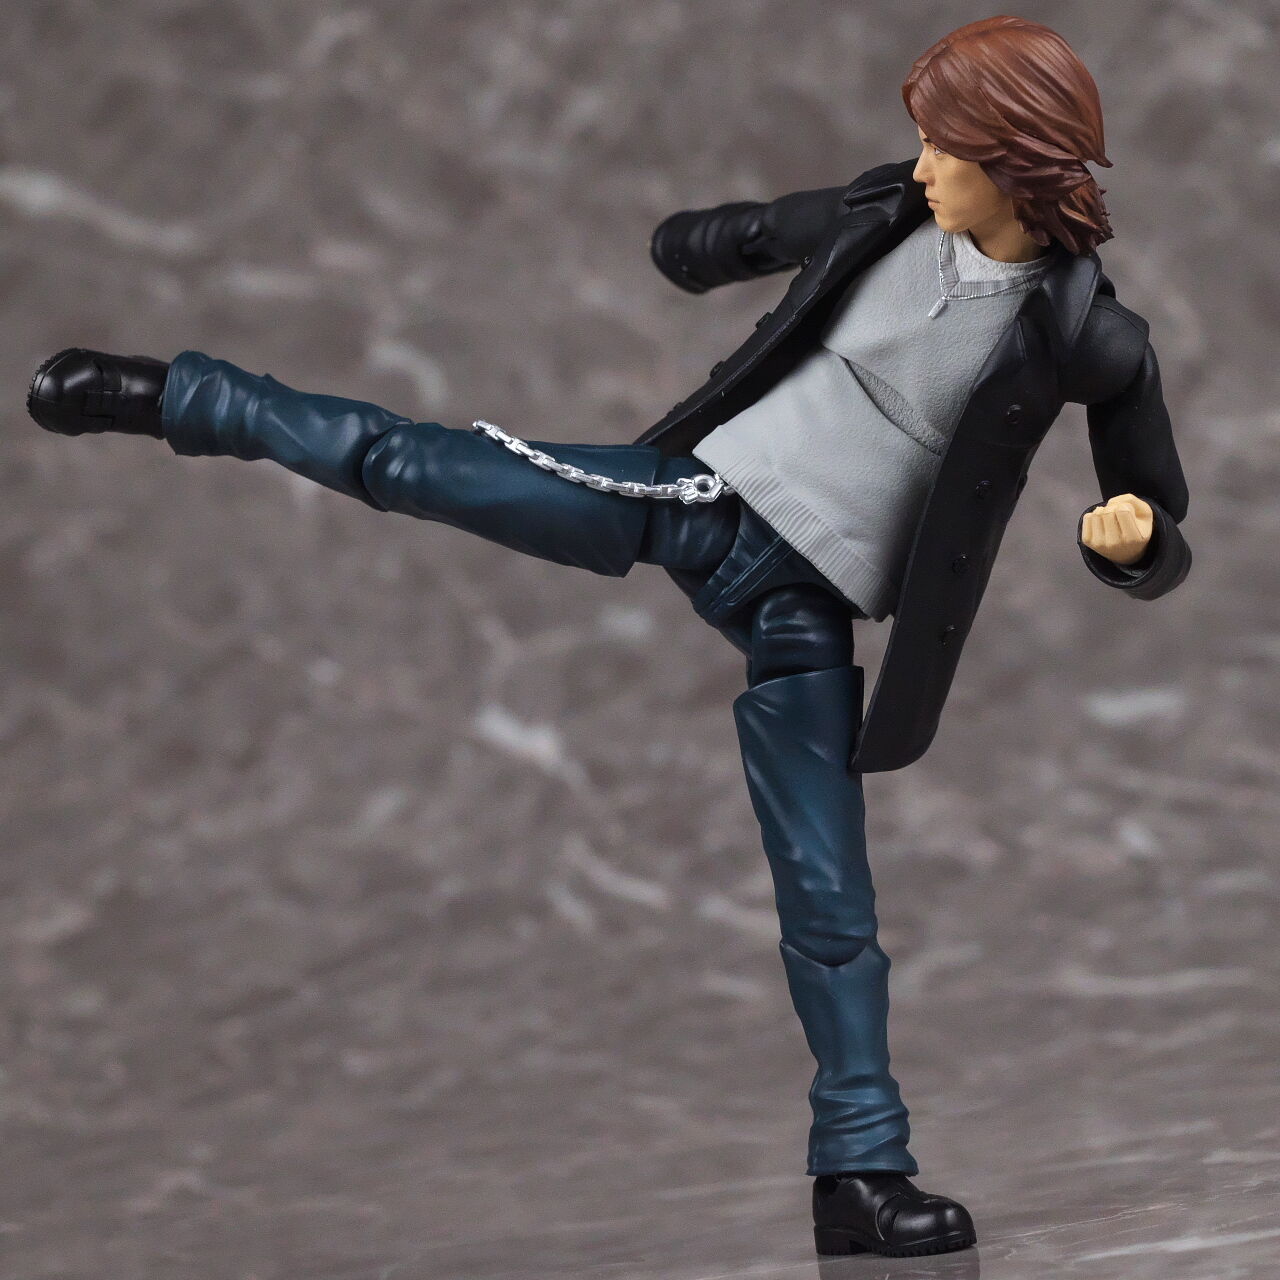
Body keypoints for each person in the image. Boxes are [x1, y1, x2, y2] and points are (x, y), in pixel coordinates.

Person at [25, 16, 1190, 1260]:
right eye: (919, 142)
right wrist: (695, 243)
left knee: (830, 902)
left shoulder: (1088, 336)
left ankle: (859, 1175)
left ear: (1016, 160)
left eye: (943, 150)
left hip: (805, 605)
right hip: (691, 503)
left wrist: (1127, 541)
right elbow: (764, 231)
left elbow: (1155, 508)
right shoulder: (886, 212)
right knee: (413, 463)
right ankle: (179, 395)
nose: (920, 167)